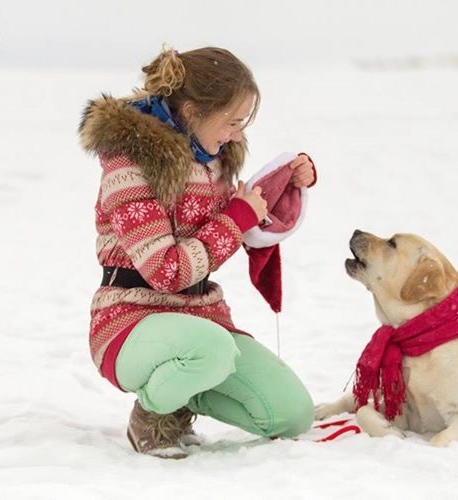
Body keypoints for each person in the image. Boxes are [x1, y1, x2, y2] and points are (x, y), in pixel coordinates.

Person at [78, 46, 317, 459]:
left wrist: (286, 182)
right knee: (212, 349)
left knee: (292, 413)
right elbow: (167, 271)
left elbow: (236, 228)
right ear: (191, 111)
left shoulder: (213, 159)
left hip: (202, 321)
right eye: (232, 121)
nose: (238, 135)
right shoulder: (129, 165)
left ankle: (185, 391)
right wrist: (237, 217)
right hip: (130, 320)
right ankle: (153, 415)